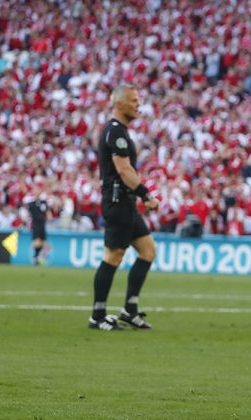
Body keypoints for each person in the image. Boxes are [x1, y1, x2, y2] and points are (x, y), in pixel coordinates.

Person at [89, 85, 159, 331]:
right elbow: (124, 169)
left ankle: (129, 310)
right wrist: (145, 194)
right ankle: (97, 315)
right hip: (118, 202)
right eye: (134, 100)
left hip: (126, 204)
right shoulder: (115, 132)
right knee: (113, 256)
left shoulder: (120, 132)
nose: (138, 105)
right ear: (118, 103)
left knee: (147, 250)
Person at [27, 186, 49, 265]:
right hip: (35, 224)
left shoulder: (44, 202)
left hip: (42, 223)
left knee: (42, 241)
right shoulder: (31, 204)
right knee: (36, 241)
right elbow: (29, 214)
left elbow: (47, 212)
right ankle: (36, 257)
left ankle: (37, 257)